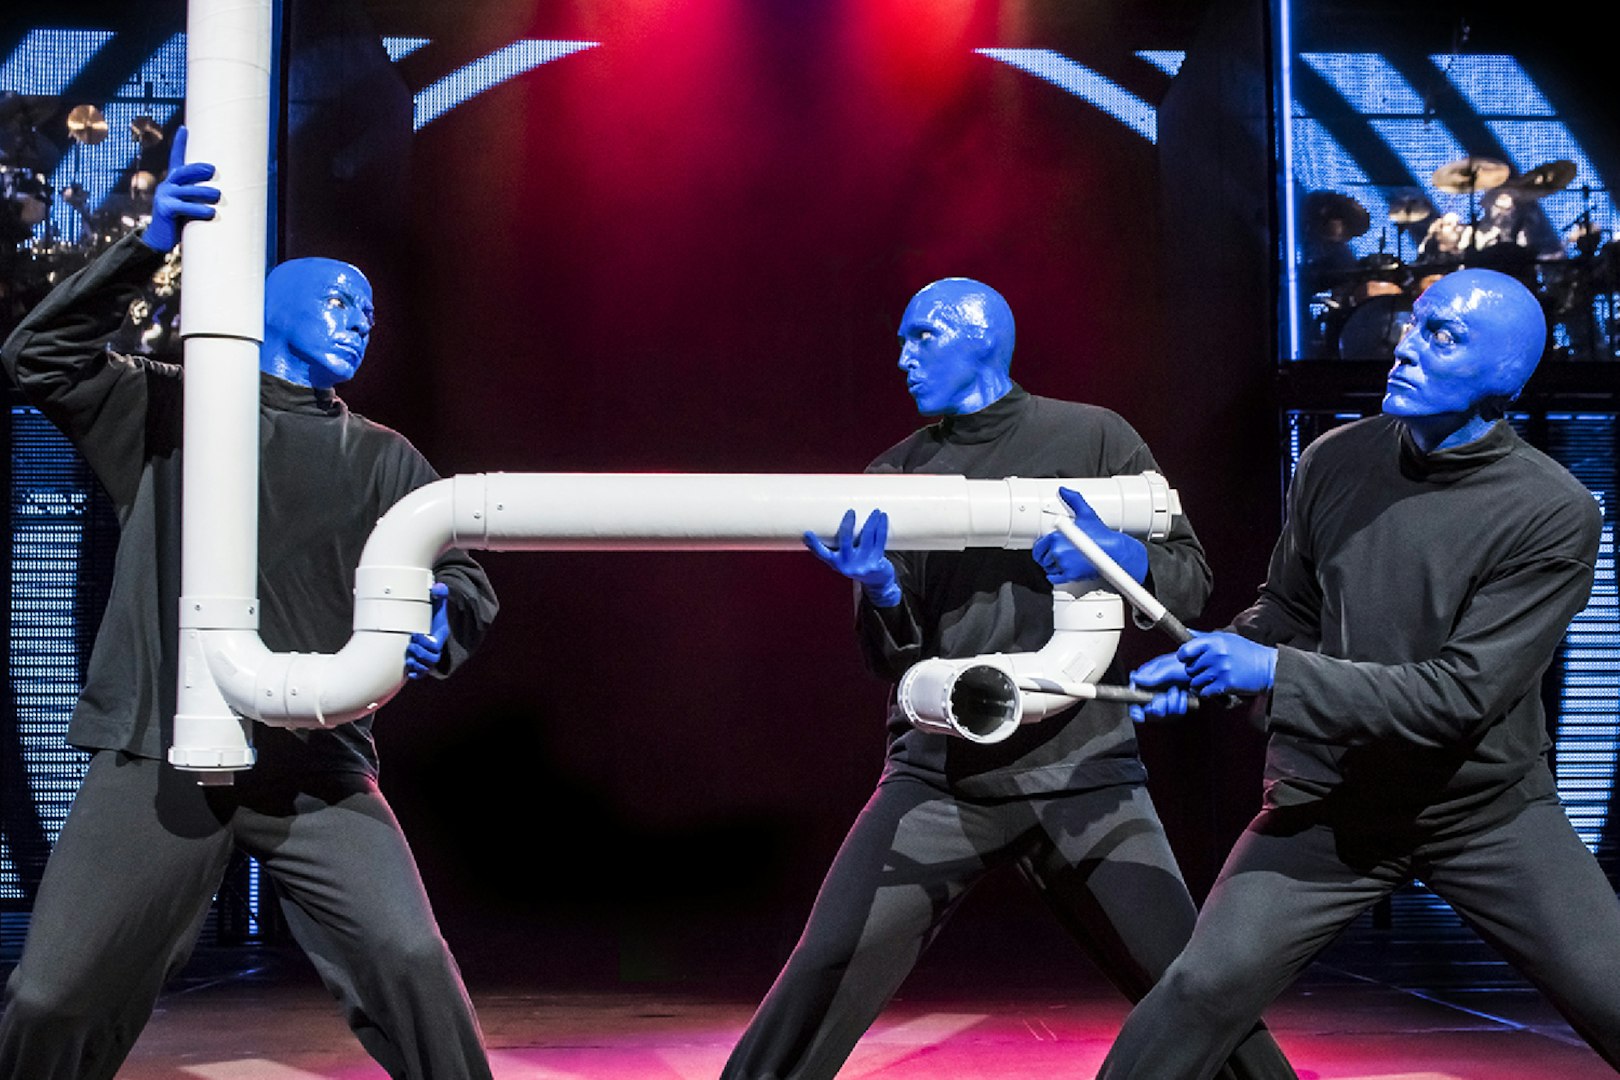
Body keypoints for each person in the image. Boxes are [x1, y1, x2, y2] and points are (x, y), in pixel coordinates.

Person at [0, 127, 500, 1079]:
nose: (361, 319)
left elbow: (464, 577)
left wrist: (444, 621)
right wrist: (150, 244)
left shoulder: (384, 457)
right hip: (157, 751)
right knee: (50, 996)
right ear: (272, 310)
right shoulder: (168, 409)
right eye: (339, 299)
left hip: (315, 766)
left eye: (371, 311)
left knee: (408, 961)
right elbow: (38, 356)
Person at [720, 277, 1297, 1080]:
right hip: (943, 779)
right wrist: (883, 587)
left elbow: (1191, 578)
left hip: (1086, 773)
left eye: (922, 337)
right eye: (900, 340)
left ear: (981, 337)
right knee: (823, 970)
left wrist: (1120, 556)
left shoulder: (1097, 439)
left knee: (1192, 990)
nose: (902, 358)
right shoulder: (896, 474)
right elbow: (893, 663)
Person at [1100, 267, 1620, 1079]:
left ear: (1504, 380)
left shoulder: (1552, 512)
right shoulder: (1335, 459)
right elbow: (1288, 608)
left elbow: (1459, 697)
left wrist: (1271, 669)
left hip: (1481, 812)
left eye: (1441, 335)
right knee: (1198, 992)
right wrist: (1216, 660)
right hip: (1331, 802)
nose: (1404, 346)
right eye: (1414, 323)